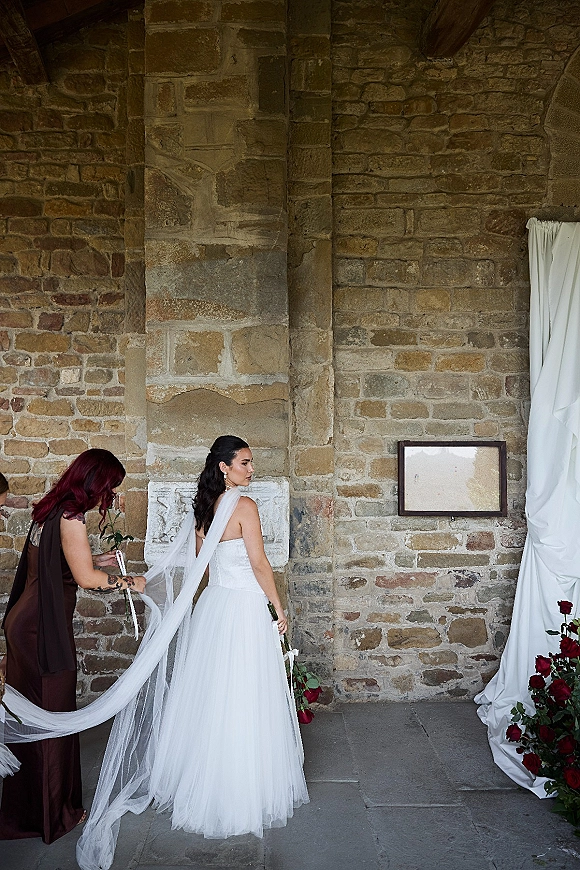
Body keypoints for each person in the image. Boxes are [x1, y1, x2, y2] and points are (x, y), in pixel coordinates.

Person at [147, 435, 309, 837]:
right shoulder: (244, 506)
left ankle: (203, 778)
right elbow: (258, 563)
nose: (251, 470)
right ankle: (243, 785)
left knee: (213, 693)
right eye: (245, 463)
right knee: (245, 692)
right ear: (224, 467)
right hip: (243, 607)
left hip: (215, 606)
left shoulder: (205, 508)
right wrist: (278, 607)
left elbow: (201, 569)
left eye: (252, 463)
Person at [0, 449, 146, 844]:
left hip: (24, 626)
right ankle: (54, 817)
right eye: (110, 487)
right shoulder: (72, 517)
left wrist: (100, 559)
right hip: (40, 632)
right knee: (52, 721)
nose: (109, 496)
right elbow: (85, 579)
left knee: (33, 719)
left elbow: (59, 561)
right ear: (96, 481)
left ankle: (27, 813)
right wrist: (130, 583)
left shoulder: (51, 509)